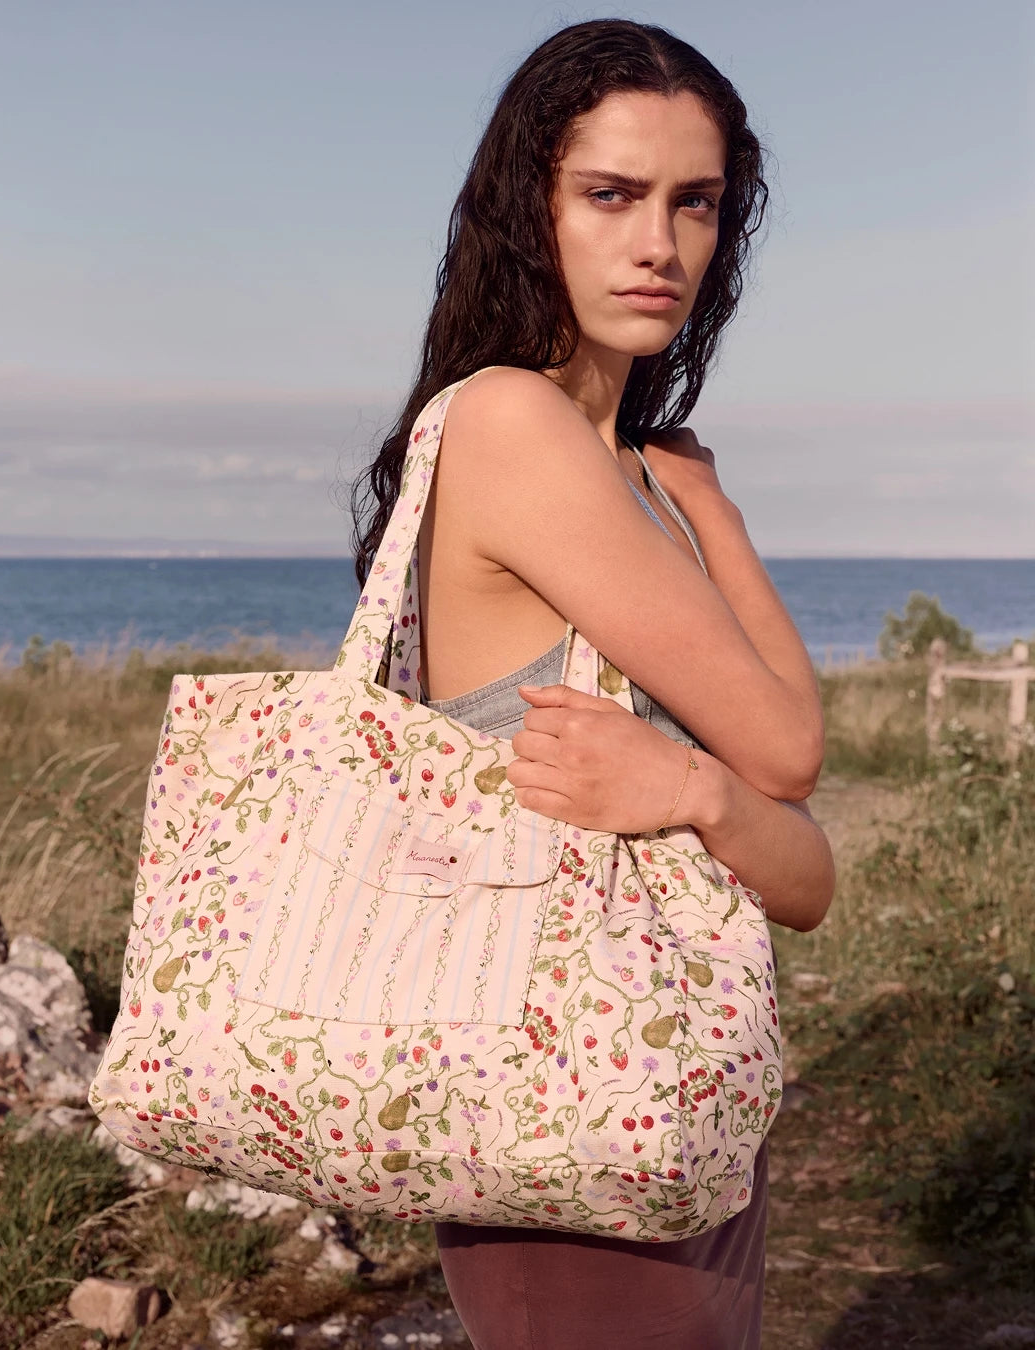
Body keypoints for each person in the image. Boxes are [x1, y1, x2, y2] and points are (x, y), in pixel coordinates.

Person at [350, 18, 835, 1349]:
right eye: (611, 195)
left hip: (680, 1097)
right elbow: (789, 747)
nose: (659, 244)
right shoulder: (512, 421)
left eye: (696, 202)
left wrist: (694, 791)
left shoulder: (635, 472)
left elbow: (805, 873)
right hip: (559, 1112)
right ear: (532, 209)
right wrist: (715, 523)